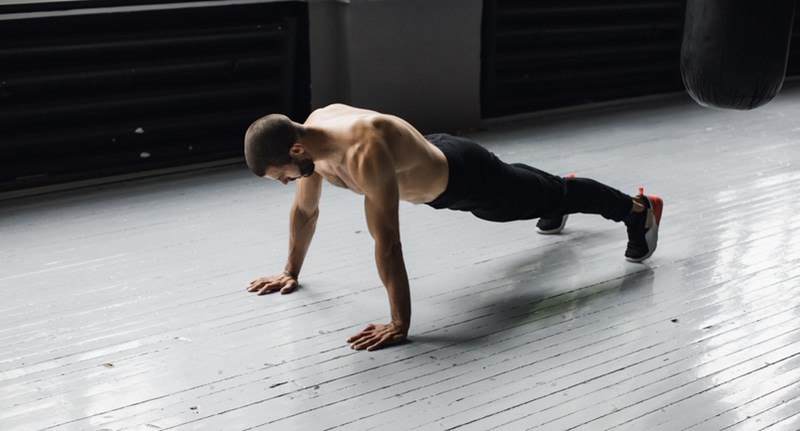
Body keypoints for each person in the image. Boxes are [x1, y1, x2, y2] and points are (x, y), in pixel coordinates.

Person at [243, 104, 664, 351]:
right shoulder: (312, 142)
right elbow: (305, 213)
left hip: (465, 180)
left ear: (295, 149)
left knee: (543, 194)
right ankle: (555, 196)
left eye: (281, 174)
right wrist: (290, 272)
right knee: (538, 188)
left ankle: (637, 209)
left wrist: (398, 324)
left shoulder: (362, 153)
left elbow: (387, 243)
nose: (285, 182)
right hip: (438, 153)